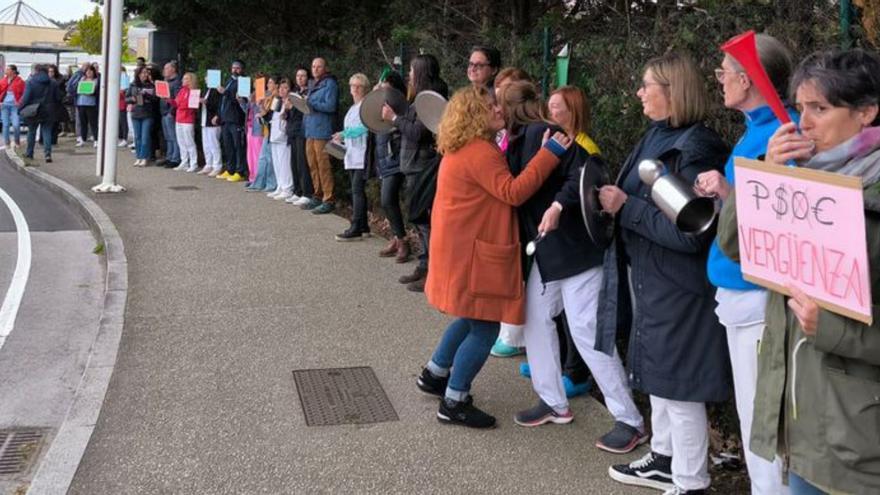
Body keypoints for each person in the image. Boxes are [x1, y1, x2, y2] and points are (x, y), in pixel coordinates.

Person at [718, 48, 880, 495]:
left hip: (859, 440)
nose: (803, 122)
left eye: (820, 109)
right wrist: (766, 175)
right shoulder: (801, 176)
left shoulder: (869, 189)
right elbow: (734, 246)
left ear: (866, 112)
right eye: (802, 106)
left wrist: (835, 329)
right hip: (801, 424)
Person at [600, 52, 731, 494]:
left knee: (680, 388)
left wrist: (627, 208)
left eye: (646, 85)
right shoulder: (660, 134)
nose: (639, 92)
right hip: (655, 280)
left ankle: (691, 482)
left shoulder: (695, 146)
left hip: (680, 286)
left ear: (672, 91)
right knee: (660, 377)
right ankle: (664, 459)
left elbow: (692, 233)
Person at [417, 84, 572, 428]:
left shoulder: (461, 149)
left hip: (458, 252)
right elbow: (513, 192)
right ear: (476, 115)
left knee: (469, 317)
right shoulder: (480, 152)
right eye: (492, 106)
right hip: (472, 255)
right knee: (485, 326)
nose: (500, 110)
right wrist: (549, 153)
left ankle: (435, 373)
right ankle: (454, 400)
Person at [693, 33, 796, 495]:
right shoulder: (756, 131)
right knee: (753, 408)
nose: (719, 82)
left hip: (759, 296)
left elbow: (783, 221)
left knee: (762, 415)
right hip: (740, 291)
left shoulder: (781, 134)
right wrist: (726, 191)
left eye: (724, 73)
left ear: (748, 79)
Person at [381, 54, 448, 292]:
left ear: (420, 72)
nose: (408, 74)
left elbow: (419, 132)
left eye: (411, 70)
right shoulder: (417, 97)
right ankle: (424, 264)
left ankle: (432, 271)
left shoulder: (430, 99)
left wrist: (395, 118)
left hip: (423, 166)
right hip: (413, 165)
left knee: (426, 221)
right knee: (420, 221)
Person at [374, 71, 410, 261]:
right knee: (387, 201)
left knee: (388, 198)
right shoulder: (380, 105)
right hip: (385, 157)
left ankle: (403, 241)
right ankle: (398, 238)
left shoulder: (402, 107)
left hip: (397, 156)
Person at [334, 73, 371, 240]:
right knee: (357, 191)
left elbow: (364, 127)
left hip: (361, 153)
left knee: (357, 191)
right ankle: (363, 226)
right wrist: (341, 135)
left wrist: (344, 133)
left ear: (365, 89)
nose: (355, 89)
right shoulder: (352, 108)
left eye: (359, 86)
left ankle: (356, 226)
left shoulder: (366, 106)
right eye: (353, 86)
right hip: (351, 153)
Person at [302, 57, 339, 213]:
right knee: (312, 165)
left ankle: (329, 199)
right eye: (313, 66)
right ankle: (317, 195)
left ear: (325, 68)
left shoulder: (330, 83)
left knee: (323, 166)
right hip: (310, 129)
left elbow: (330, 106)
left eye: (319, 66)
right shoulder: (312, 84)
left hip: (322, 130)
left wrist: (311, 103)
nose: (315, 69)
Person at [19, 64, 62, 162]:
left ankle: (29, 153)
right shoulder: (53, 82)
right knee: (47, 132)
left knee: (32, 131)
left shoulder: (31, 82)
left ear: (36, 71)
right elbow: (58, 98)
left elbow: (26, 98)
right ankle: (47, 154)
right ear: (47, 72)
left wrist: (20, 109)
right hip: (49, 110)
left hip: (34, 110)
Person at [284, 67, 314, 206]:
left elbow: (306, 111)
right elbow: (288, 114)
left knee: (303, 162)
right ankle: (297, 190)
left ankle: (307, 192)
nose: (300, 78)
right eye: (298, 76)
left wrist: (294, 107)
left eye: (303, 75)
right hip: (292, 130)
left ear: (307, 78)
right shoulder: (294, 93)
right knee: (294, 162)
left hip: (303, 130)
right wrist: (286, 111)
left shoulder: (310, 92)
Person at [216, 60, 248, 182]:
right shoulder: (229, 81)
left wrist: (226, 92)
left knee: (238, 146)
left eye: (238, 68)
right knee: (228, 146)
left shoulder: (244, 82)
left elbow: (242, 101)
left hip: (236, 119)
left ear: (242, 69)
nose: (235, 70)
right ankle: (230, 169)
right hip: (226, 119)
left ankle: (240, 171)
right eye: (233, 68)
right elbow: (223, 100)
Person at [266, 78, 295, 200]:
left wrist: (287, 113)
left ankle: (287, 188)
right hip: (274, 134)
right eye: (281, 88)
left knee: (284, 163)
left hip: (284, 136)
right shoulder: (277, 101)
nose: (282, 90)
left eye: (285, 88)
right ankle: (280, 186)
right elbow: (270, 115)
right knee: (277, 162)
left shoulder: (291, 101)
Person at [126, 66, 158, 167]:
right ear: (138, 74)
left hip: (147, 113)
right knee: (137, 137)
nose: (145, 75)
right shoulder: (133, 85)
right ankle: (138, 157)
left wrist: (146, 95)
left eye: (146, 73)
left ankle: (145, 157)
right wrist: (133, 99)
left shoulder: (151, 85)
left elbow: (156, 99)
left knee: (145, 137)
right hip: (136, 113)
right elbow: (127, 98)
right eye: (143, 73)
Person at [169, 72, 199, 172]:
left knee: (189, 142)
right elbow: (176, 103)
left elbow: (192, 107)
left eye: (185, 79)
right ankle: (184, 161)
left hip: (188, 119)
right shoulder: (182, 90)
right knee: (181, 142)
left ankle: (193, 163)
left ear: (191, 81)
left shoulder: (194, 91)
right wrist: (168, 100)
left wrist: (181, 105)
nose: (183, 81)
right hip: (179, 118)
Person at [246, 73, 271, 183]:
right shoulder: (253, 94)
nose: (256, 84)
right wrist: (241, 101)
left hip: (259, 127)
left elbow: (264, 112)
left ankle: (259, 177)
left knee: (258, 154)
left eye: (258, 81)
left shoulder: (266, 94)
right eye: (255, 82)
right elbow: (246, 111)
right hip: (250, 126)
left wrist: (259, 103)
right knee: (250, 153)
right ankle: (252, 175)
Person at [157, 61, 182, 168]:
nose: (164, 70)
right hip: (164, 111)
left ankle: (175, 158)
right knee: (168, 137)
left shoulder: (176, 82)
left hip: (169, 112)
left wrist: (171, 112)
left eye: (166, 68)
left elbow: (177, 99)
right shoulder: (166, 81)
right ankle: (169, 156)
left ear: (173, 69)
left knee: (173, 136)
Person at [68, 63, 100, 148]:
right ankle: (83, 139)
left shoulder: (96, 80)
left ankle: (96, 139)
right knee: (83, 122)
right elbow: (76, 89)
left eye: (90, 71)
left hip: (91, 104)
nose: (89, 72)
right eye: (87, 71)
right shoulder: (82, 79)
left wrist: (88, 91)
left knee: (93, 123)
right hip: (81, 103)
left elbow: (94, 91)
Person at [198, 78, 222, 175]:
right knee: (206, 144)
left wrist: (206, 102)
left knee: (214, 144)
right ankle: (209, 164)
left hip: (212, 121)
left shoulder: (216, 91)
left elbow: (217, 106)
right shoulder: (205, 90)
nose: (206, 79)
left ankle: (217, 165)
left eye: (209, 77)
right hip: (204, 120)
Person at [0, 64, 25, 149]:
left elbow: (24, 94)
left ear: (13, 71)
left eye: (8, 69)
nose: (6, 71)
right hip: (4, 105)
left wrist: (20, 102)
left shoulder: (20, 81)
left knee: (16, 125)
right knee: (5, 124)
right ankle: (7, 142)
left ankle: (17, 141)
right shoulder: (3, 81)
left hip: (15, 106)